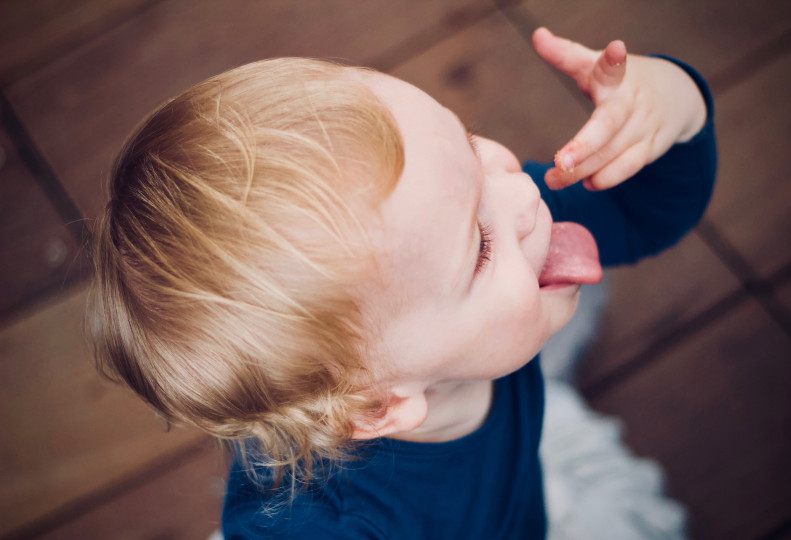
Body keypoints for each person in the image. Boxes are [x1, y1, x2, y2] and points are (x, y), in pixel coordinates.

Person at [90, 26, 715, 539]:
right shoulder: (330, 528)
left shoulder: (441, 257)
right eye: (483, 244)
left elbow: (639, 214)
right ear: (378, 406)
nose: (524, 191)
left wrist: (675, 108)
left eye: (470, 146)